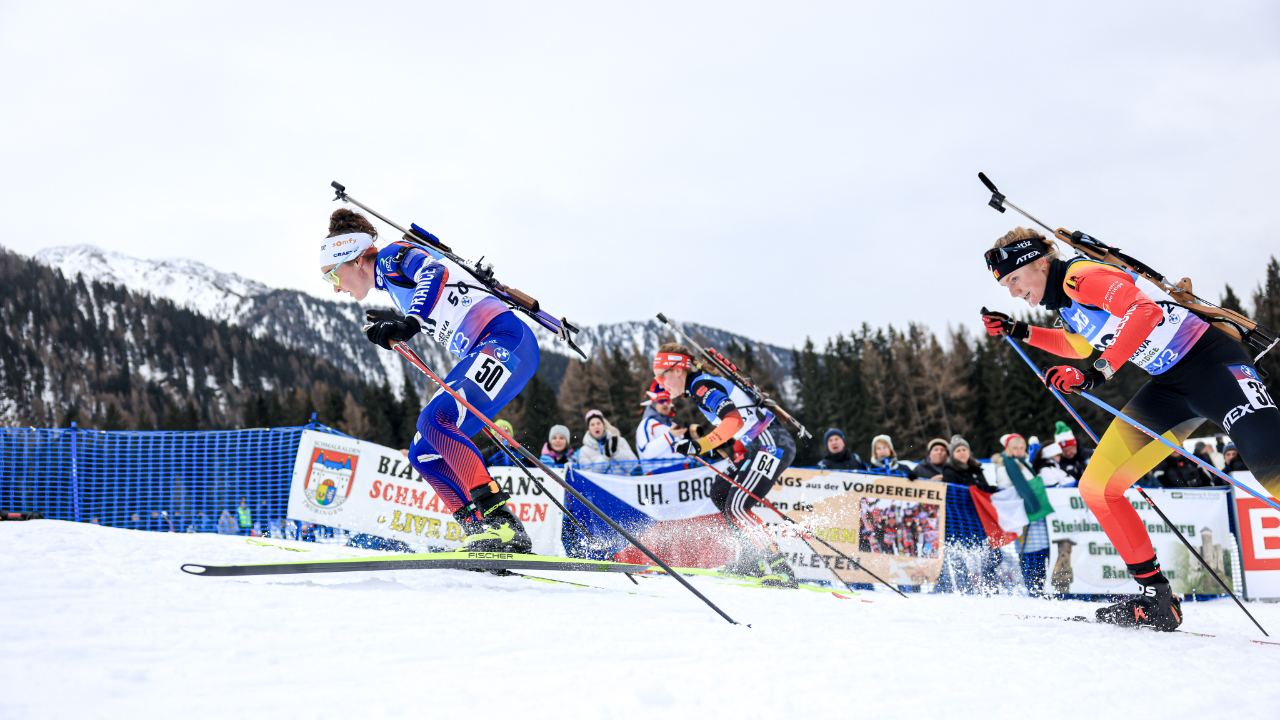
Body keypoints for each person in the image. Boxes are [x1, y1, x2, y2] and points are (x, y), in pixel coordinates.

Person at [981, 226, 1280, 630]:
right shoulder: (1067, 305)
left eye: (1014, 280)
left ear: (1038, 263)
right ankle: (1157, 598)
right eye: (1006, 286)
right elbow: (1079, 347)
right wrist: (1021, 330)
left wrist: (1096, 374)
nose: (1014, 293)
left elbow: (1146, 312)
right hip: (1169, 388)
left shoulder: (1081, 277)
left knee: (1272, 468)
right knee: (1099, 487)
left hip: (1213, 368)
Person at [320, 207, 543, 553]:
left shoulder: (391, 257)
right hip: (489, 348)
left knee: (435, 420)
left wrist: (409, 323)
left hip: (506, 342)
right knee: (423, 451)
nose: (335, 289)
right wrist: (397, 320)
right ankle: (480, 530)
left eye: (332, 276)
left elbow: (433, 271)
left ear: (355, 260)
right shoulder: (390, 284)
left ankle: (502, 523)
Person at [653, 343, 799, 587]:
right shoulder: (698, 385)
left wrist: (700, 446)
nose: (660, 383)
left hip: (769, 443)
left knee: (738, 505)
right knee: (720, 493)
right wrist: (712, 449)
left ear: (678, 370)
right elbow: (738, 429)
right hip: (755, 444)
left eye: (661, 375)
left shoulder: (702, 386)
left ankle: (781, 569)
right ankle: (750, 563)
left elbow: (733, 419)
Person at [635, 382, 686, 468]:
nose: (665, 404)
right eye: (661, 401)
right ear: (654, 404)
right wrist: (669, 436)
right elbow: (646, 452)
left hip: (682, 472)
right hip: (659, 476)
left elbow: (684, 454)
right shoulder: (646, 424)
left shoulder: (673, 425)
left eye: (667, 400)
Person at [577, 409, 639, 474]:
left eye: (598, 423)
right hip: (598, 484)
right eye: (592, 425)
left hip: (623, 482)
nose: (596, 427)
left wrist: (617, 452)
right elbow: (587, 475)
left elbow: (633, 465)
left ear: (603, 425)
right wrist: (605, 458)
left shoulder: (619, 441)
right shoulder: (584, 451)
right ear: (589, 428)